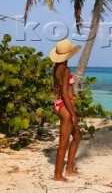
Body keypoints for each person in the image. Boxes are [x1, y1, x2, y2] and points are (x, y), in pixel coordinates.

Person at [49, 39, 82, 182]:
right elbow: (64, 93)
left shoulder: (56, 68)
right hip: (65, 106)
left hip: (60, 104)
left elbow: (57, 89)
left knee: (77, 135)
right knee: (64, 142)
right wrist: (73, 113)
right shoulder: (66, 69)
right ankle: (57, 175)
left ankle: (69, 169)